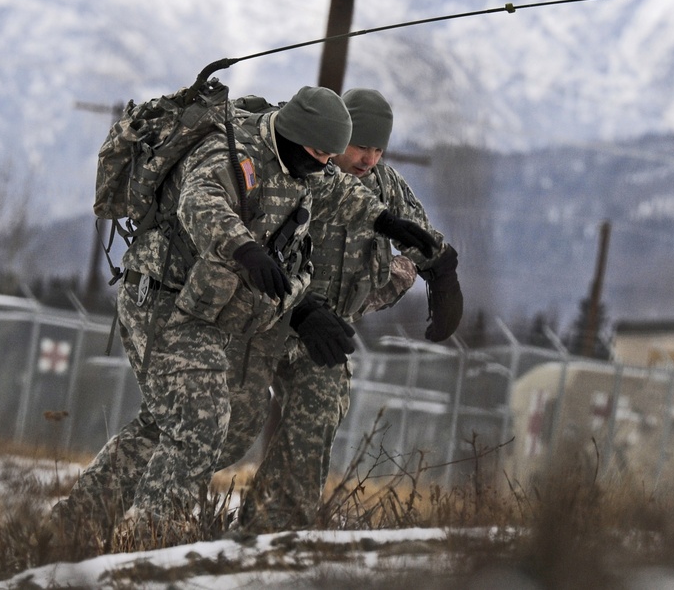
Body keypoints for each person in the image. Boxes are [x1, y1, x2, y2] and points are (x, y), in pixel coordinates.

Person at [52, 85, 437, 545]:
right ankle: (150, 538)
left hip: (203, 308)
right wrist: (245, 248)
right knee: (199, 421)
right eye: (318, 153)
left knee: (181, 423)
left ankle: (75, 525)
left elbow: (338, 192)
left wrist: (384, 222)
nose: (323, 164)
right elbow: (200, 201)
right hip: (159, 297)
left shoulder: (309, 166)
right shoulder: (235, 154)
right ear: (294, 137)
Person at [220, 88, 463, 532]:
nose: (368, 157)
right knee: (230, 427)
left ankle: (271, 531)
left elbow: (420, 235)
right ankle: (152, 492)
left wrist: (443, 274)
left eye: (377, 148)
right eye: (360, 145)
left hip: (328, 332)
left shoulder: (385, 186)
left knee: (316, 419)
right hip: (269, 318)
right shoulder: (302, 169)